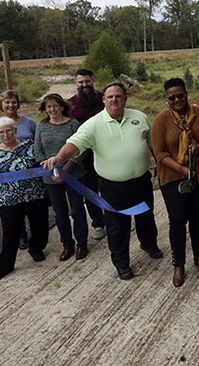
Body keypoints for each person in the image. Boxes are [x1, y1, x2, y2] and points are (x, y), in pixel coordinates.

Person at [43, 83, 162, 280]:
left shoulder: (140, 117)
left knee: (146, 217)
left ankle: (149, 244)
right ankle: (121, 262)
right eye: (110, 97)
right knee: (117, 227)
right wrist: (58, 158)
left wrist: (159, 162)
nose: (114, 100)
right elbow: (75, 143)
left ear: (125, 98)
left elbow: (153, 144)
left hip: (141, 181)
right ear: (104, 100)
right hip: (112, 187)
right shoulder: (93, 124)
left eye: (118, 96)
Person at [152, 78, 199, 287]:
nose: (177, 100)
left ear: (186, 94)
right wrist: (182, 168)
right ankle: (178, 264)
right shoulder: (161, 121)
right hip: (173, 177)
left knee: (197, 217)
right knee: (178, 221)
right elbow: (160, 153)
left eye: (180, 95)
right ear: (167, 100)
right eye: (171, 98)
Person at [0, 117, 50, 282]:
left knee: (39, 224)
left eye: (8, 130)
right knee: (10, 232)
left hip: (34, 194)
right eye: (1, 132)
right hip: (8, 198)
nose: (6, 135)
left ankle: (36, 249)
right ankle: (5, 265)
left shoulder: (31, 148)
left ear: (15, 131)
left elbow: (43, 166)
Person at [34, 94, 89, 262]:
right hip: (51, 178)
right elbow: (38, 150)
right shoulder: (41, 126)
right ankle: (67, 245)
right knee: (60, 213)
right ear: (45, 109)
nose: (52, 109)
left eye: (55, 105)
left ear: (62, 106)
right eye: (48, 106)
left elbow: (80, 148)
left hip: (73, 175)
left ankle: (82, 243)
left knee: (77, 210)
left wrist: (65, 169)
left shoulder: (73, 124)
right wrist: (48, 168)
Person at [0, 90, 37, 250]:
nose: (11, 105)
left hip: (30, 179)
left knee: (33, 212)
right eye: (7, 102)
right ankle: (21, 237)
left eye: (14, 102)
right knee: (14, 214)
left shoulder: (29, 123)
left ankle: (37, 241)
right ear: (1, 105)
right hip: (7, 181)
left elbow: (38, 145)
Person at [68, 69, 106, 240]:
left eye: (87, 81)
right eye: (81, 82)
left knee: (112, 189)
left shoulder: (105, 99)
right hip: (84, 158)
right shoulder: (70, 105)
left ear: (93, 81)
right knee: (90, 191)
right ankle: (98, 223)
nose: (84, 85)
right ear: (76, 83)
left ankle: (118, 219)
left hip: (108, 153)